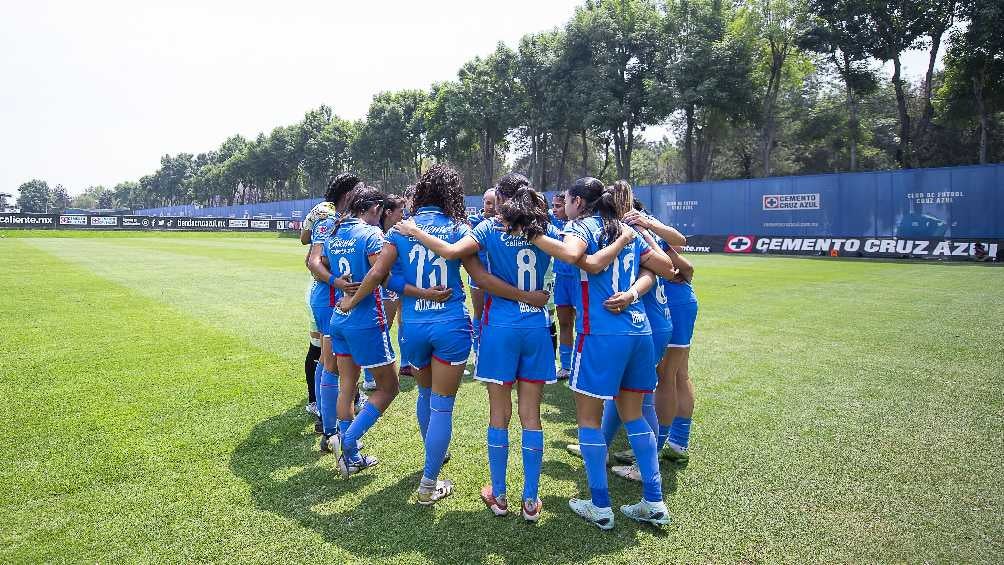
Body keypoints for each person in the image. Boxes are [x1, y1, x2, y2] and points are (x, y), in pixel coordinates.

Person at [396, 173, 631, 520]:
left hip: (498, 329)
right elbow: (574, 255)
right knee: (532, 415)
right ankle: (532, 501)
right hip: (537, 327)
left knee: (498, 414)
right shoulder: (547, 229)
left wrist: (415, 231)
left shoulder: (490, 229)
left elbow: (459, 258)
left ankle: (500, 495)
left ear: (504, 198)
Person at [338, 164, 548, 505]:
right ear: (452, 194)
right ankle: (429, 481)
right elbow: (478, 275)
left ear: (421, 191)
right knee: (443, 407)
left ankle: (399, 455)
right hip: (452, 324)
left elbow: (380, 275)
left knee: (425, 395)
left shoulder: (402, 229)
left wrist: (356, 299)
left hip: (414, 327)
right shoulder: (460, 228)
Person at [528, 177, 681, 529]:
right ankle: (654, 502)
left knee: (588, 419)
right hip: (639, 329)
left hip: (601, 333)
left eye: (566, 199)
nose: (564, 205)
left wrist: (534, 234)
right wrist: (631, 291)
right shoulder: (623, 228)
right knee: (633, 414)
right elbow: (664, 269)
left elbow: (580, 258)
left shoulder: (583, 226)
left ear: (579, 202)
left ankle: (600, 505)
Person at [621, 203, 696, 462]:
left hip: (673, 304)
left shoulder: (641, 228)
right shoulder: (637, 230)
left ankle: (660, 445)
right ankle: (675, 443)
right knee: (673, 374)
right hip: (674, 303)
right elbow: (685, 266)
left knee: (667, 375)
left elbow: (684, 265)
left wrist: (648, 224)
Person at [303, 173, 364, 439]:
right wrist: (336, 281)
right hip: (329, 296)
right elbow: (312, 260)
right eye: (358, 190)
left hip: (331, 294)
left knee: (327, 361)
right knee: (329, 363)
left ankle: (325, 418)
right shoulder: (328, 220)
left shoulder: (337, 219)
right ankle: (327, 426)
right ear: (347, 193)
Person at [549, 192, 577, 380]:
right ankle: (566, 366)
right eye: (554, 205)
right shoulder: (551, 223)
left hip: (579, 279)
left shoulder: (579, 224)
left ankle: (580, 364)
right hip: (561, 279)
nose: (555, 209)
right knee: (565, 323)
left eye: (559, 205)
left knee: (584, 324)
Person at [467, 188, 498, 357]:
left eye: (495, 203)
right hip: (478, 276)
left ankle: (493, 349)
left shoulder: (504, 223)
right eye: (488, 202)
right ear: (482, 203)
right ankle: (478, 350)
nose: (492, 207)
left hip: (500, 276)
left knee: (496, 313)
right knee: (479, 312)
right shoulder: (473, 221)